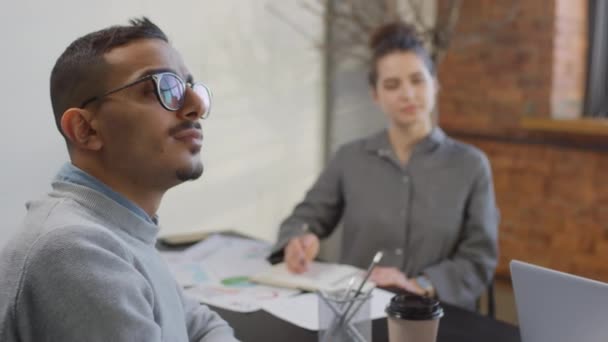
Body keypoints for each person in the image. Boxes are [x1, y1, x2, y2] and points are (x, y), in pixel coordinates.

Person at [0, 18, 238, 341]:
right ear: (86, 129)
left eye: (189, 88)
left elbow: (205, 327)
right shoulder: (74, 248)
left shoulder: (125, 230)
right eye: (162, 88)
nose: (195, 107)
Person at [273, 22, 499, 310]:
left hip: (436, 318)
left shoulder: (470, 166)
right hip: (358, 314)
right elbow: (304, 218)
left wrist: (420, 285)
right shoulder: (350, 158)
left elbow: (480, 258)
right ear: (375, 94)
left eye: (417, 80)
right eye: (392, 85)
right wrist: (297, 240)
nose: (407, 94)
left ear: (435, 84)